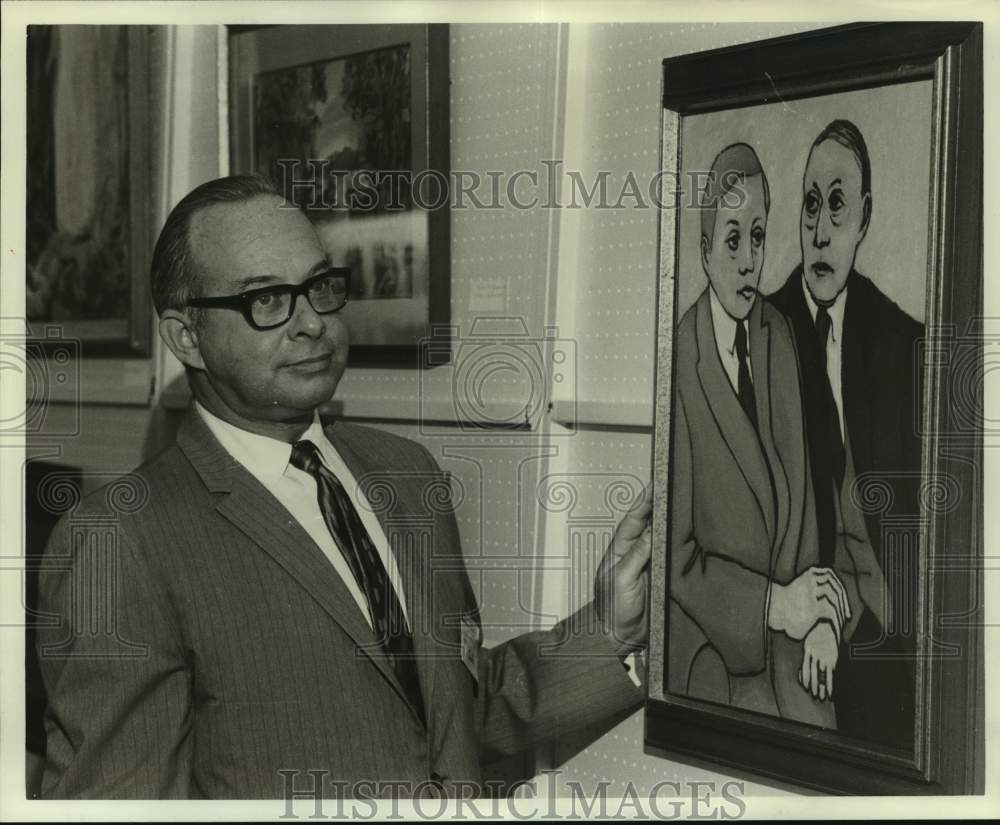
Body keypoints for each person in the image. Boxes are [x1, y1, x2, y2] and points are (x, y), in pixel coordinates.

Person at [36, 175, 652, 799]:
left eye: (319, 287)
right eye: (268, 300)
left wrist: (608, 632)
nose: (311, 323)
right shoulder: (120, 542)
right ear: (186, 337)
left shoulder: (408, 475)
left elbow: (450, 721)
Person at [667, 143, 885, 728]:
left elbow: (822, 506)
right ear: (705, 247)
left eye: (758, 237)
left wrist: (822, 616)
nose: (748, 261)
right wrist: (775, 605)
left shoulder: (779, 336)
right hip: (717, 662)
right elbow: (676, 558)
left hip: (794, 653)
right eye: (732, 239)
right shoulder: (679, 363)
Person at [769, 119, 923, 751]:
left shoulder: (902, 341)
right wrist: (826, 615)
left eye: (837, 205)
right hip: (807, 632)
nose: (821, 229)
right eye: (810, 205)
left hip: (899, 629)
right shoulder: (765, 334)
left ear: (864, 218)